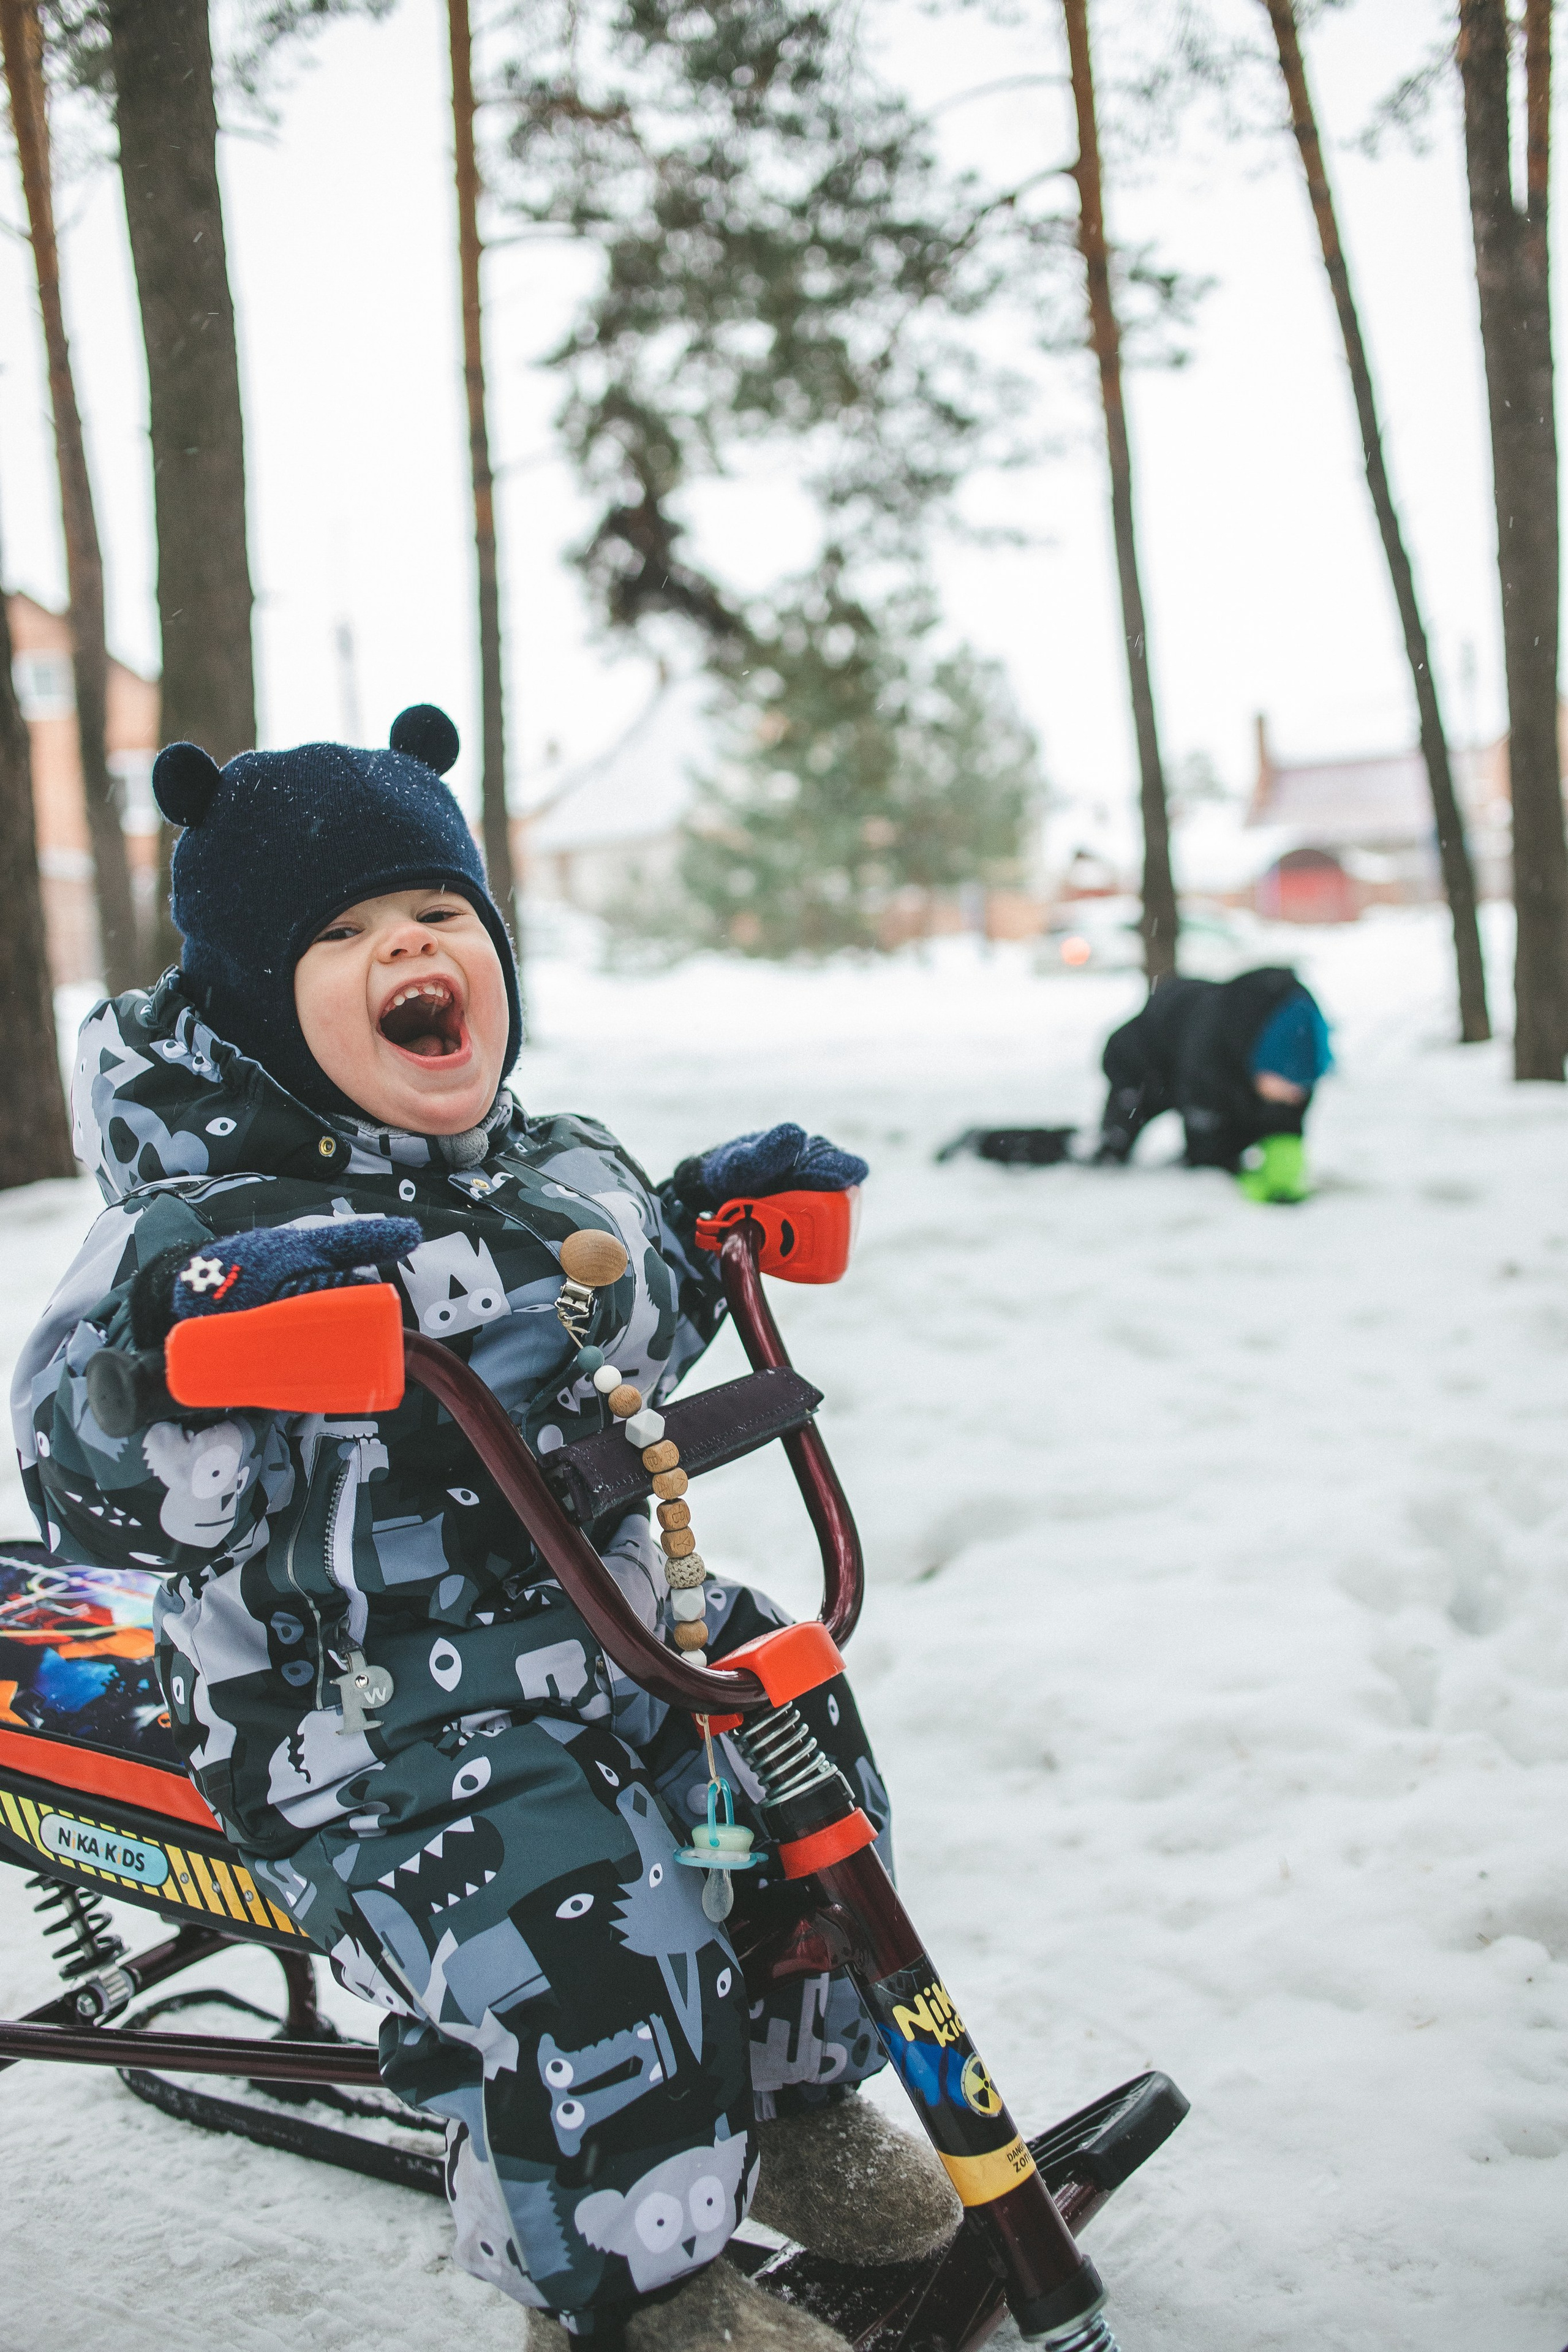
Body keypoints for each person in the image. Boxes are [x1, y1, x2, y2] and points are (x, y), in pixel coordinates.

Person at [11, 709, 958, 2347]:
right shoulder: (198, 1233)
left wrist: (704, 1227)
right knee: (576, 1934)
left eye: (441, 916)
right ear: (255, 995)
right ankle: (636, 2291)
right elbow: (84, 1464)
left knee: (793, 1800)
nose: (409, 948)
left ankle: (800, 2113)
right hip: (371, 1712)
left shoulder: (554, 1165)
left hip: (621, 1627)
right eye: (343, 932)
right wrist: (190, 1361)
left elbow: (631, 1318)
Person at [1092, 965, 1332, 1202]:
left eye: (1305, 1085)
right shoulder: (1210, 1058)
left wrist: (1282, 1166)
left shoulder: (1298, 1053)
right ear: (1264, 1067)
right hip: (1142, 1062)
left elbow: (1283, 1126)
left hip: (1210, 1063)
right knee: (1113, 1148)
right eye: (1290, 1084)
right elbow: (1208, 1150)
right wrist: (1227, 1170)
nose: (1297, 1095)